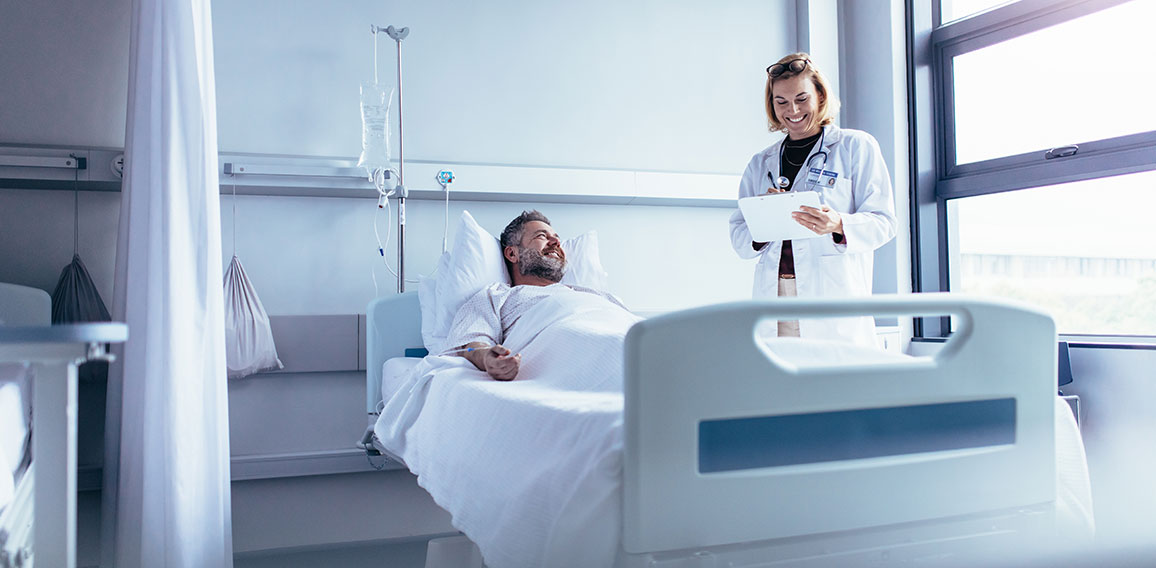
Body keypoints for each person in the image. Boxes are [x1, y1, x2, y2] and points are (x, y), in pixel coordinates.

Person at [729, 53, 897, 347]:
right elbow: (740, 235)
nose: (792, 110)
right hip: (776, 294)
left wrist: (838, 223)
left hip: (831, 294)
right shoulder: (761, 162)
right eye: (781, 101)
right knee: (782, 385)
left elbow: (884, 223)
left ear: (820, 95)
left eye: (801, 98)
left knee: (836, 385)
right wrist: (764, 221)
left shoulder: (855, 146)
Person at [444, 210, 633, 381]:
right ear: (512, 253)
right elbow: (466, 347)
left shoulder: (595, 295)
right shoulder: (496, 296)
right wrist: (486, 357)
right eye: (542, 236)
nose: (556, 242)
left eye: (556, 238)